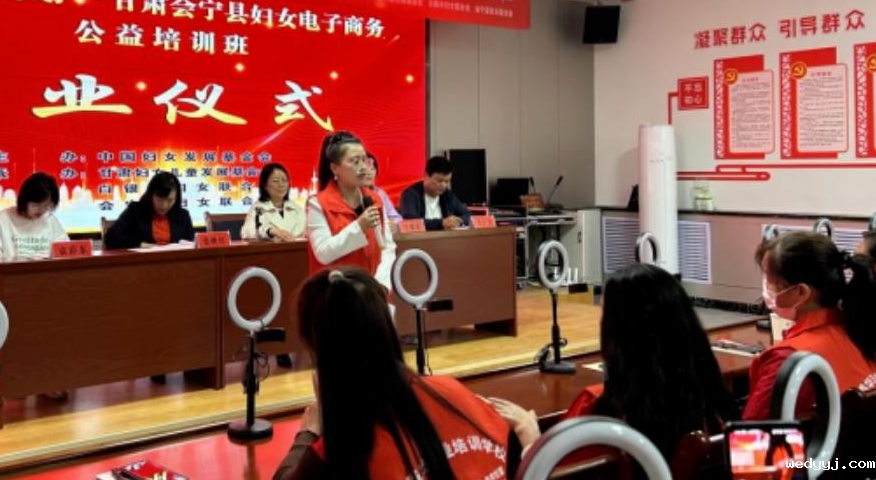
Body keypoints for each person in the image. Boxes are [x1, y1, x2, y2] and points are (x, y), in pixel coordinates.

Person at [272, 268, 538, 480]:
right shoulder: (452, 392)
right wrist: (533, 445)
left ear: (319, 351)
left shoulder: (340, 453)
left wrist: (309, 433)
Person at [564, 263, 736, 460]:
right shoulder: (715, 406)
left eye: (604, 311)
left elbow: (557, 467)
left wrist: (534, 436)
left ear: (618, 331)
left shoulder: (599, 407)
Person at [743, 230, 876, 419]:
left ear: (801, 292)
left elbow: (752, 433)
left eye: (770, 282)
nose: (766, 289)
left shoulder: (788, 360)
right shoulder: (862, 331)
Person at [306, 131, 395, 288]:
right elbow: (323, 253)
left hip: (371, 290)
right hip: (334, 291)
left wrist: (381, 284)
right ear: (335, 168)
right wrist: (359, 226)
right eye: (355, 161)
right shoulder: (318, 203)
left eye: (364, 160)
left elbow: (387, 247)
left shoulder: (375, 199)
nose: (362, 167)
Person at [0, 172, 68, 264]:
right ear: (24, 201)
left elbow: (66, 255)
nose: (41, 211)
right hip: (12, 272)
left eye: (46, 206)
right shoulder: (1, 221)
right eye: (35, 205)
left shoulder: (50, 221)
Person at [105, 172, 195, 249]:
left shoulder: (183, 216)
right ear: (150, 195)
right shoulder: (135, 211)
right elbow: (111, 238)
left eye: (169, 200)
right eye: (160, 199)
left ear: (176, 199)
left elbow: (190, 244)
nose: (164, 205)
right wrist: (141, 244)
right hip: (143, 262)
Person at [398, 156, 471, 231]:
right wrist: (442, 223)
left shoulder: (447, 195)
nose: (443, 185)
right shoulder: (410, 195)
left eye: (447, 181)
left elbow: (467, 214)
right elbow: (410, 221)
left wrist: (458, 221)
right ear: (426, 176)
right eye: (439, 181)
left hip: (444, 237)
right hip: (421, 237)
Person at [241, 163, 305, 241]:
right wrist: (271, 231)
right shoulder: (258, 208)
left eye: (284, 180)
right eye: (275, 181)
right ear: (265, 185)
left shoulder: (297, 208)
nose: (281, 184)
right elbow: (246, 232)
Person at [362, 152, 401, 225]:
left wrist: (392, 223)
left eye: (372, 169)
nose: (369, 173)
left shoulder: (380, 193)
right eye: (366, 169)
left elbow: (396, 217)